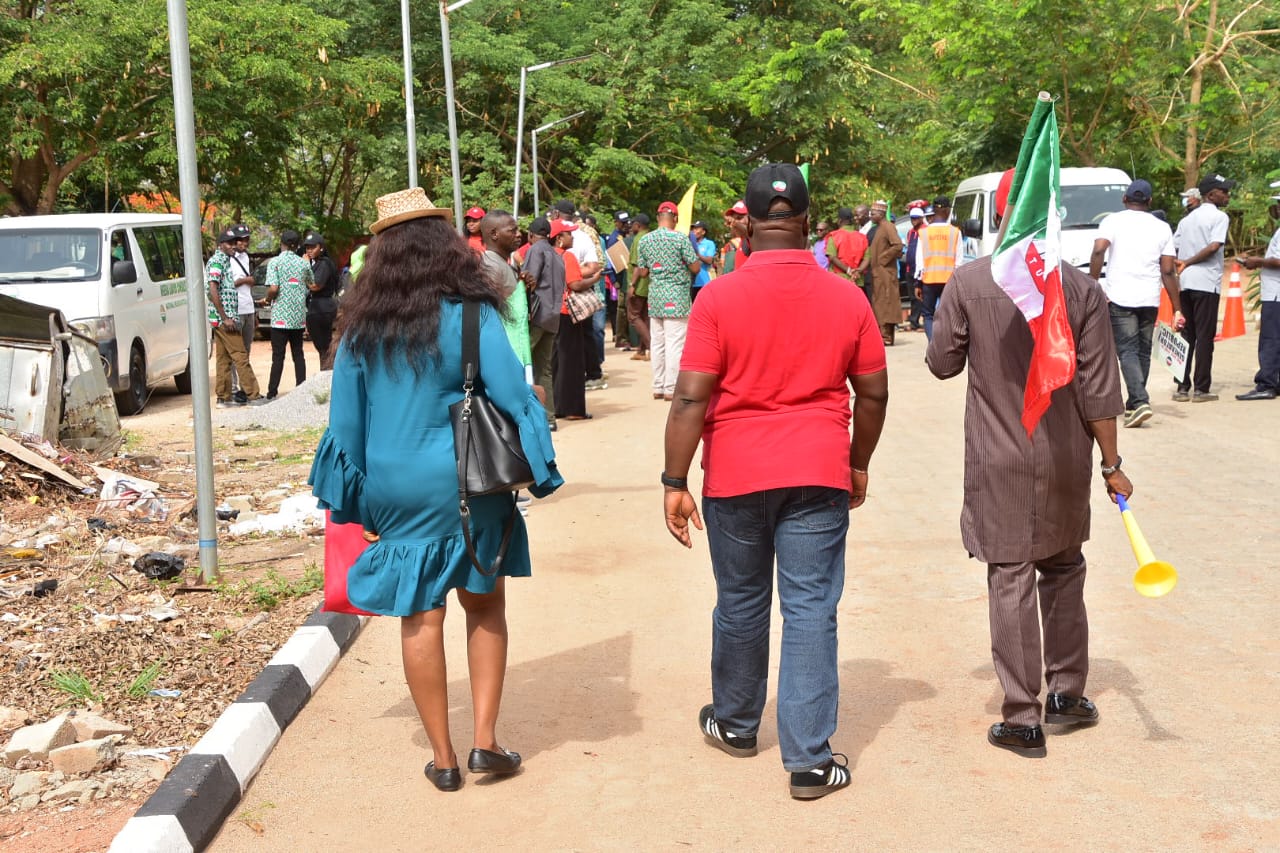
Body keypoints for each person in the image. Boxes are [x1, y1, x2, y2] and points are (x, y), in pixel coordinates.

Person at [309, 187, 562, 793]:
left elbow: (345, 429)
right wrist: (542, 442)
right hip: (473, 480)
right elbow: (513, 395)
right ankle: (485, 744)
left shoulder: (362, 330)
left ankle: (443, 760)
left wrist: (359, 502)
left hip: (396, 486)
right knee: (485, 605)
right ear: (446, 246)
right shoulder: (471, 313)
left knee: (420, 615)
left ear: (383, 253)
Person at [662, 163, 888, 800]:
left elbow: (688, 399)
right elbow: (872, 393)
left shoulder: (718, 297)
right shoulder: (846, 296)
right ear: (808, 221)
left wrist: (674, 478)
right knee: (811, 607)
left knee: (740, 602)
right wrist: (857, 460)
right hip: (818, 470)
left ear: (749, 223)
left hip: (734, 473)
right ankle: (810, 762)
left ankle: (735, 724)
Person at [925, 184, 1131, 759]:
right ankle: (1066, 693)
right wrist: (1111, 465)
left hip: (999, 458)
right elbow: (1099, 390)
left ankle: (1022, 716)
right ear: (1053, 216)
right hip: (1066, 457)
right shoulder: (1081, 287)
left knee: (1011, 574)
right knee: (1064, 568)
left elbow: (942, 363)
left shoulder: (970, 283)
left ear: (1000, 216)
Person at [1089, 179, 1184, 427]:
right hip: (1149, 298)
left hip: (1119, 296)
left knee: (1127, 350)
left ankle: (1140, 401)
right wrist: (1177, 307)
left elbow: (1099, 250)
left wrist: (1092, 282)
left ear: (1124, 199)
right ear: (1150, 202)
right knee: (1141, 350)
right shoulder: (1162, 227)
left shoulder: (1112, 221)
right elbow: (1168, 270)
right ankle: (1133, 406)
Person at [1173, 173, 1234, 402]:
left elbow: (1175, 246)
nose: (1228, 195)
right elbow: (1214, 246)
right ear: (1211, 194)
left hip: (1186, 283)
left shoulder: (1187, 219)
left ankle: (1181, 387)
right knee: (1205, 336)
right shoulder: (1219, 217)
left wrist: (1184, 263)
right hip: (1207, 283)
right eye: (1224, 191)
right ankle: (1201, 389)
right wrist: (1189, 261)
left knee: (1187, 335)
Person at [633, 201, 700, 401]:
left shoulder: (646, 240)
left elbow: (643, 272)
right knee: (675, 343)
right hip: (677, 297)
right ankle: (671, 388)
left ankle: (658, 386)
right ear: (676, 219)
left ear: (657, 217)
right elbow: (695, 268)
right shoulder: (680, 239)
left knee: (658, 343)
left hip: (656, 297)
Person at [206, 227, 263, 407]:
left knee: (223, 358)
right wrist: (225, 317)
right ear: (221, 245)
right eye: (230, 243)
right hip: (225, 319)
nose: (233, 246)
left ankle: (223, 397)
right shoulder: (217, 261)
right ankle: (253, 395)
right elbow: (212, 289)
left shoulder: (225, 259)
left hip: (227, 317)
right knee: (240, 355)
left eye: (234, 243)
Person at [1234, 194, 1280, 400]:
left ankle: (1266, 384)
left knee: (1271, 338)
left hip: (1276, 294)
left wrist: (1257, 261)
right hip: (1274, 292)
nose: (1277, 209)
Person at [520, 216, 564, 430]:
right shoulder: (557, 256)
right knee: (543, 369)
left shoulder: (535, 250)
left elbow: (529, 281)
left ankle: (521, 415)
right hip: (553, 316)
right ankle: (549, 419)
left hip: (537, 316)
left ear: (530, 235)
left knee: (520, 361)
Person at [479, 210, 532, 378]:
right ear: (494, 234)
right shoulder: (490, 266)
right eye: (512, 230)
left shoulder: (504, 264)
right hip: (506, 356)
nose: (519, 235)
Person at [551, 218, 593, 421]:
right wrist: (594, 279)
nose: (572, 236)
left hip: (549, 313)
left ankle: (556, 406)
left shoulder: (545, 254)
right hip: (567, 312)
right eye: (568, 234)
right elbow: (575, 284)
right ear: (559, 238)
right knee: (573, 362)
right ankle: (573, 409)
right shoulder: (567, 257)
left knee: (556, 361)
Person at [263, 229, 313, 399]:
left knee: (278, 357)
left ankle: (271, 393)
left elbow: (273, 288)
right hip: (298, 317)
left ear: (281, 243)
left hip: (280, 319)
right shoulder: (303, 263)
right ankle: (301, 390)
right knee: (298, 354)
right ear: (297, 245)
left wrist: (267, 299)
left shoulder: (275, 262)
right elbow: (311, 283)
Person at [915, 196, 965, 341]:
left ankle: (933, 346)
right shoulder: (955, 232)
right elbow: (959, 262)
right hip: (949, 281)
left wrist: (917, 283)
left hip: (929, 281)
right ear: (948, 210)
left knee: (928, 315)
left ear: (935, 210)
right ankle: (946, 347)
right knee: (948, 315)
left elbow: (919, 262)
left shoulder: (923, 233)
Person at [862, 200, 904, 345]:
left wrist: (882, 259)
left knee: (886, 302)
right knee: (879, 302)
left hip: (885, 272)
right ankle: (883, 335)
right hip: (878, 272)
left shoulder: (888, 227)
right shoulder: (880, 227)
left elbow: (898, 245)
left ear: (880, 214)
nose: (871, 216)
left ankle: (886, 337)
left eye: (873, 214)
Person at [303, 231, 340, 370]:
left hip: (322, 309)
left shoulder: (324, 264)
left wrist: (306, 267)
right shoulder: (317, 264)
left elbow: (315, 285)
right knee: (323, 349)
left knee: (325, 349)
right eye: (307, 248)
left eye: (313, 247)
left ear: (322, 248)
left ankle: (327, 377)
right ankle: (326, 374)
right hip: (317, 309)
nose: (309, 250)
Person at [229, 224, 257, 396]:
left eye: (246, 239)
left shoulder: (246, 257)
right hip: (236, 308)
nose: (244, 243)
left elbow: (248, 285)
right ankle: (233, 387)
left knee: (246, 350)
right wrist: (245, 279)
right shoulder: (228, 259)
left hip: (248, 307)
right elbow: (228, 284)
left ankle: (245, 388)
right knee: (235, 351)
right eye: (241, 239)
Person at [626, 213, 652, 361]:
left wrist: (632, 285)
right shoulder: (650, 237)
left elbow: (637, 264)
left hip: (639, 284)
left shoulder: (638, 239)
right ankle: (641, 351)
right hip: (648, 284)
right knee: (643, 316)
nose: (631, 227)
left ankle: (651, 346)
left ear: (638, 225)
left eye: (633, 224)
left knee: (633, 316)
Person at [825, 207, 868, 287]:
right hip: (857, 281)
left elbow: (832, 257)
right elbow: (867, 258)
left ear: (840, 220)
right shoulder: (862, 237)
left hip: (838, 280)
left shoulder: (834, 236)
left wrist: (848, 270)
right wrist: (858, 271)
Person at [690, 220, 717, 301]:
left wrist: (697, 254)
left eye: (697, 229)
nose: (694, 231)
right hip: (691, 283)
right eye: (693, 229)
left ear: (703, 232)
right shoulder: (688, 243)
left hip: (704, 283)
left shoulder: (709, 243)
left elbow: (709, 260)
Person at [720, 200, 750, 272]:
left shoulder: (755, 242)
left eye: (739, 218)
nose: (734, 223)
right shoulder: (742, 241)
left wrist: (735, 223)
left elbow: (752, 234)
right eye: (734, 218)